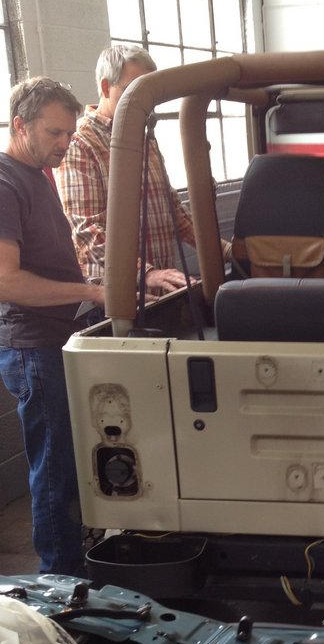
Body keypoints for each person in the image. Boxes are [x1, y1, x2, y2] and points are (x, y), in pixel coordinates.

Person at [0, 77, 105, 574]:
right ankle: (60, 584)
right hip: (33, 345)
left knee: (67, 462)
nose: (66, 143)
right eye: (56, 133)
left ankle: (75, 565)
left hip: (55, 339)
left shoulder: (36, 173)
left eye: (69, 133)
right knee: (53, 469)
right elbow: (8, 282)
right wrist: (90, 292)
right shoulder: (4, 182)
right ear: (20, 125)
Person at [55, 44, 196, 293]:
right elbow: (87, 230)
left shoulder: (144, 138)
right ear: (106, 87)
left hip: (161, 287)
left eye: (150, 94)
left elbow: (172, 208)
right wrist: (145, 272)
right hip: (118, 294)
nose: (145, 103)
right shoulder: (80, 143)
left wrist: (223, 249)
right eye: (134, 91)